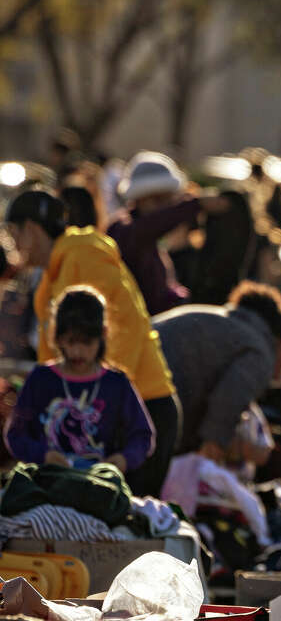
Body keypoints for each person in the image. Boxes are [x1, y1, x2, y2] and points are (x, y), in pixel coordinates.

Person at [5, 189, 180, 496]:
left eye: (13, 234)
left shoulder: (84, 257)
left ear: (31, 229)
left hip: (134, 411)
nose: (13, 246)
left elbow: (121, 333)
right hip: (92, 417)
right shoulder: (54, 273)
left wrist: (97, 404)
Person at [153, 281, 281, 461]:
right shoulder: (261, 352)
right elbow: (228, 402)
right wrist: (212, 453)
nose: (278, 376)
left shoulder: (230, 321)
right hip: (148, 386)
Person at [5, 287, 154, 473]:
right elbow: (15, 435)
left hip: (99, 485)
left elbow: (142, 436)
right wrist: (43, 455)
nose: (78, 352)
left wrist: (124, 459)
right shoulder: (41, 379)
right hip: (46, 482)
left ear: (103, 335)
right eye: (71, 341)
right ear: (57, 338)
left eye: (87, 343)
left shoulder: (117, 383)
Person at [107, 151, 229, 315]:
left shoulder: (150, 239)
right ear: (139, 198)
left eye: (169, 200)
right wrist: (196, 204)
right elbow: (150, 226)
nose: (166, 206)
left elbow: (161, 293)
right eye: (158, 199)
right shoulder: (123, 229)